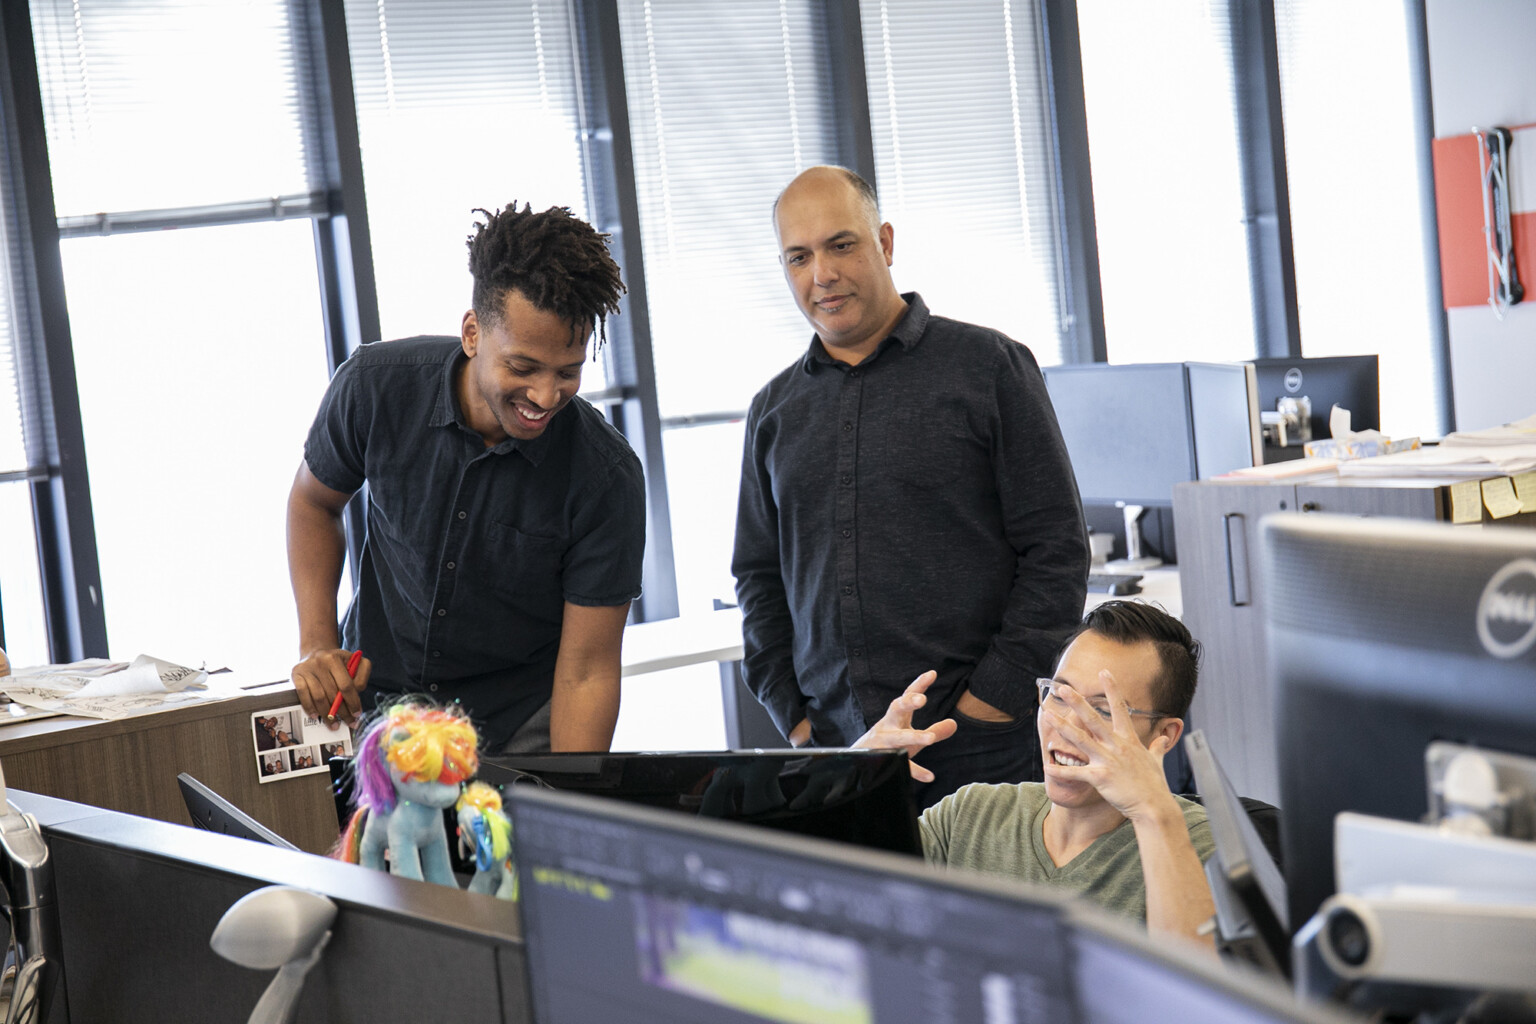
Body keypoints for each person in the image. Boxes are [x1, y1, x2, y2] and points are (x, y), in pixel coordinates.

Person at [733, 165, 1089, 808]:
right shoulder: (773, 411)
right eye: (798, 256)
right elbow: (758, 577)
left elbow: (1057, 550)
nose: (822, 274)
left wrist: (990, 705)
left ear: (885, 242)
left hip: (983, 749)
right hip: (841, 754)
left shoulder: (989, 367)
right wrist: (796, 718)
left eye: (842, 244)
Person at [287, 203, 646, 754]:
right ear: (474, 333)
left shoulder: (606, 477)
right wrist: (317, 644)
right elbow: (314, 502)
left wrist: (576, 816)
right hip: (373, 714)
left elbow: (587, 673)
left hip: (513, 732)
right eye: (523, 368)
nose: (546, 396)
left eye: (568, 372)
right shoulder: (374, 389)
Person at [856, 600, 1216, 947]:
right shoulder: (969, 815)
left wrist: (1154, 813)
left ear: (1164, 735)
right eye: (1059, 696)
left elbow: (1200, 992)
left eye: (1103, 712)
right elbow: (843, 899)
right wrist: (852, 777)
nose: (1068, 725)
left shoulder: (1199, 842)